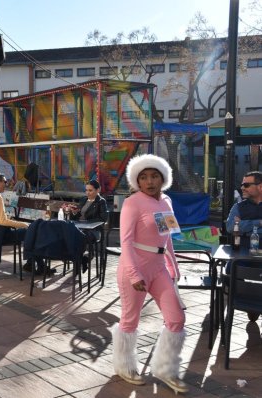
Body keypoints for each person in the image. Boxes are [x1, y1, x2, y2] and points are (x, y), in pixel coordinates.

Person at [111, 154, 188, 394]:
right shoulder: (133, 203)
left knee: (176, 318)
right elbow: (126, 242)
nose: (149, 181)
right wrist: (134, 275)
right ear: (137, 181)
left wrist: (173, 267)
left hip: (160, 268)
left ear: (163, 178)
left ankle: (166, 368)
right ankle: (124, 365)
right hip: (134, 267)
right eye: (143, 177)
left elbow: (168, 239)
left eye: (154, 176)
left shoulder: (166, 201)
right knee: (130, 319)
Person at [0, 173, 53, 275]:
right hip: (2, 234)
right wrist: (23, 224)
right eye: (5, 182)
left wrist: (10, 219)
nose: (6, 184)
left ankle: (32, 263)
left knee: (30, 232)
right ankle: (38, 265)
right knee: (33, 232)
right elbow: (2, 221)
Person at [224, 170, 262, 322]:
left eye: (246, 184)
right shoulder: (238, 207)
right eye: (241, 185)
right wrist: (258, 222)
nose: (242, 188)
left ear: (260, 186)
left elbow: (238, 227)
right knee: (229, 270)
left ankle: (257, 301)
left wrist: (244, 226)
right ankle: (249, 303)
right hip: (244, 253)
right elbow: (230, 227)